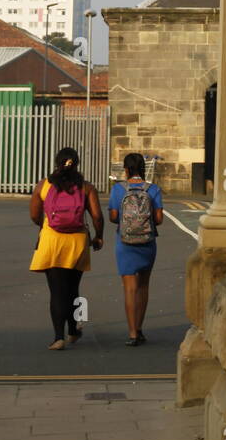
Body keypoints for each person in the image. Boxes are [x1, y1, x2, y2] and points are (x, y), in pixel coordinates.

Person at [29, 147, 103, 351]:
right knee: (72, 287)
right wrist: (99, 236)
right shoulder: (86, 187)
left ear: (57, 162)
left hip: (52, 240)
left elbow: (34, 214)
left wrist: (44, 225)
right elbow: (97, 216)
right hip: (77, 241)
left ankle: (58, 337)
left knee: (56, 291)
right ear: (77, 163)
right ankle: (74, 329)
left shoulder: (44, 185)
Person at [108, 152, 164, 346]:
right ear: (142, 168)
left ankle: (132, 333)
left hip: (125, 243)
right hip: (147, 243)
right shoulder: (153, 189)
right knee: (143, 286)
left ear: (126, 169)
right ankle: (139, 329)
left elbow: (113, 217)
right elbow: (159, 220)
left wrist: (126, 219)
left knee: (130, 288)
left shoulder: (118, 190)